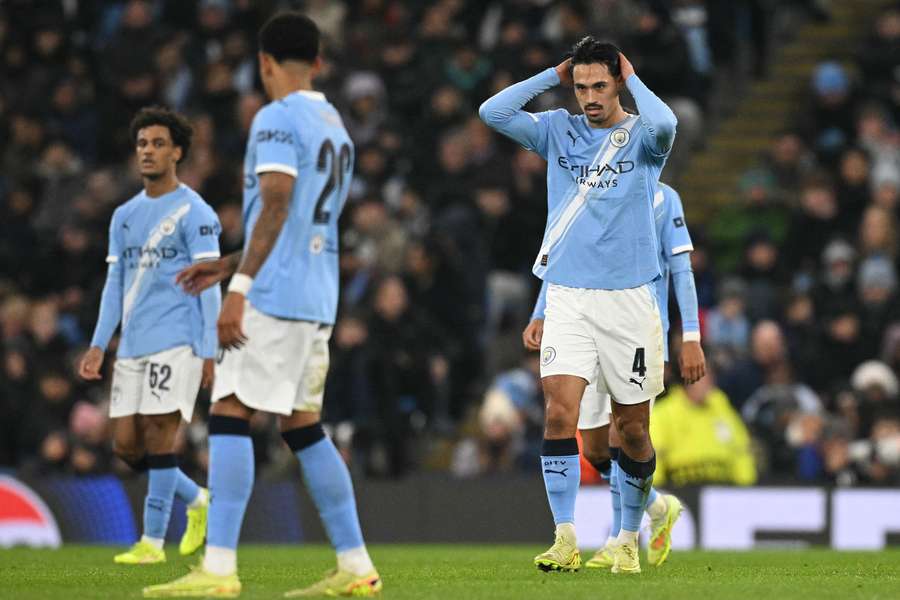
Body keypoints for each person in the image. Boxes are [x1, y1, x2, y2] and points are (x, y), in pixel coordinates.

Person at [144, 13, 380, 598]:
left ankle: (219, 569)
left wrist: (240, 288)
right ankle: (355, 566)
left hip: (274, 295)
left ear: (265, 63)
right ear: (318, 63)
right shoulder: (336, 126)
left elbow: (276, 205)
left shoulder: (275, 117)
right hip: (316, 295)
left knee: (230, 409)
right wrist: (227, 263)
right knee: (303, 427)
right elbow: (296, 219)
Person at [480, 36, 677, 574]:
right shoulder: (555, 131)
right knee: (559, 412)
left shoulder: (640, 137)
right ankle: (565, 537)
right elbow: (492, 111)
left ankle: (628, 538)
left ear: (617, 82)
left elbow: (667, 126)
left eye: (600, 85)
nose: (589, 96)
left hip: (630, 301)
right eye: (582, 85)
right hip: (568, 296)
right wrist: (554, 73)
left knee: (631, 430)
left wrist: (634, 78)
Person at [525, 181, 704, 569]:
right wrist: (540, 310)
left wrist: (690, 335)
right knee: (594, 449)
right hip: (582, 321)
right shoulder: (585, 191)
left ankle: (622, 539)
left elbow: (682, 269)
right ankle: (658, 508)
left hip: (637, 327)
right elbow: (562, 256)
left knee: (626, 431)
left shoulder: (663, 197)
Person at [78, 106, 219, 565]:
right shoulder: (123, 215)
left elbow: (208, 280)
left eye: (158, 143)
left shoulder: (195, 212)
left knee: (161, 436)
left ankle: (152, 543)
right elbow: (115, 285)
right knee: (125, 446)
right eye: (142, 144)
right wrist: (100, 343)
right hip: (133, 344)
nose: (148, 151)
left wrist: (208, 350)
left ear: (177, 152)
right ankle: (198, 500)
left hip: (177, 338)